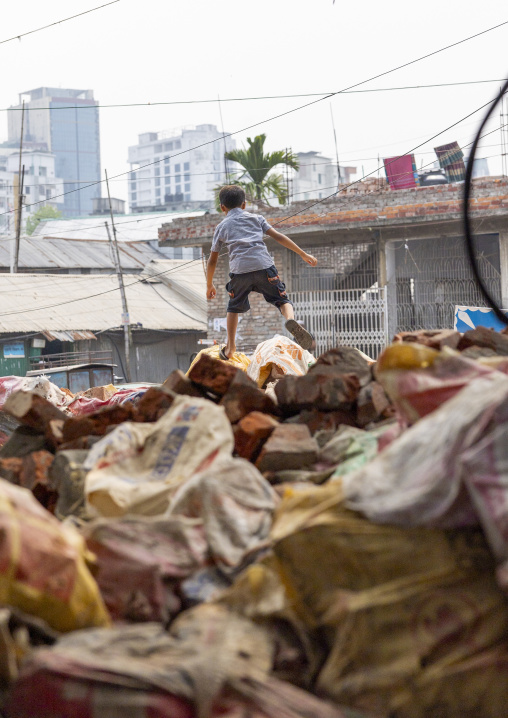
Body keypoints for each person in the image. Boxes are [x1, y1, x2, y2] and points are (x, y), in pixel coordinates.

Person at [206, 184, 317, 360]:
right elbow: (279, 236)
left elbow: (212, 260)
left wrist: (209, 284)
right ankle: (289, 319)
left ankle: (230, 347)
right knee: (282, 300)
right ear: (244, 204)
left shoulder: (221, 227)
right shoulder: (256, 218)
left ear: (222, 207)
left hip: (239, 271)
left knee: (233, 307)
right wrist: (303, 254)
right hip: (264, 266)